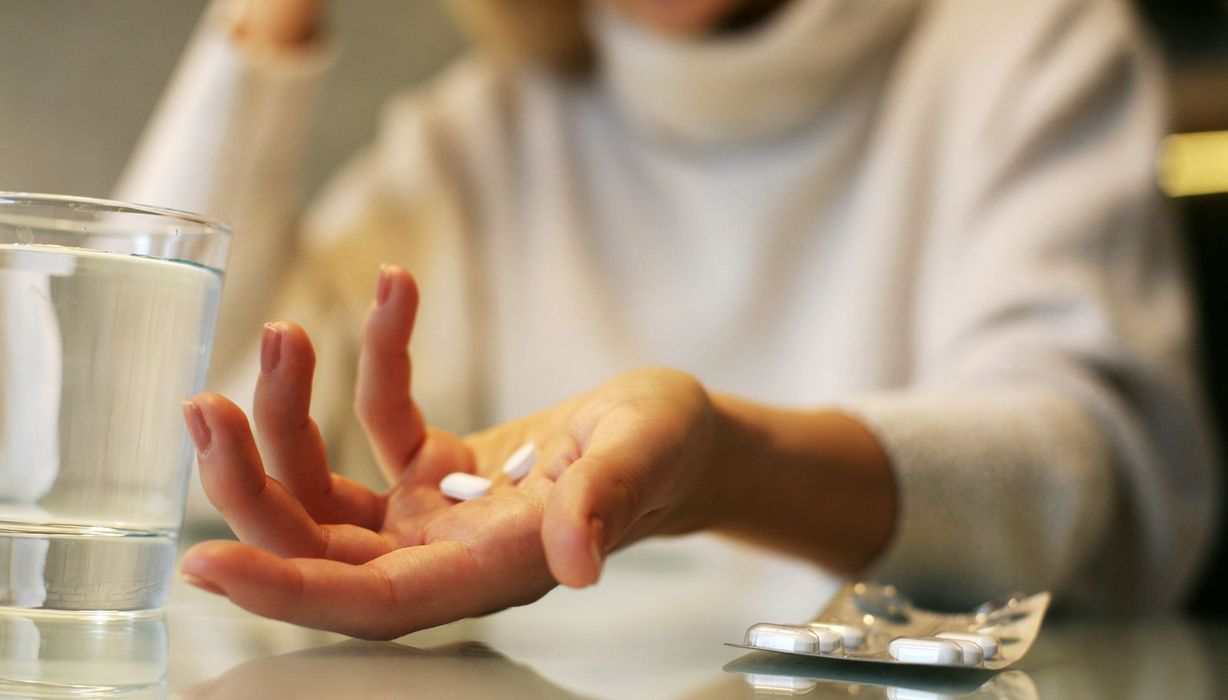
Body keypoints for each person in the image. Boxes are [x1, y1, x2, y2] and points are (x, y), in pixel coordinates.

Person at [118, 0, 1218, 640]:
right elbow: (155, 427)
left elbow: (1091, 475)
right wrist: (264, 27)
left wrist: (722, 464)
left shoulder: (1023, 43)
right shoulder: (486, 130)